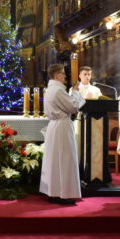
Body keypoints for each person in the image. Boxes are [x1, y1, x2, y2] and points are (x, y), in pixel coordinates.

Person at [40, 64, 85, 205]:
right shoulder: (58, 90)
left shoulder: (52, 89)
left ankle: (53, 192)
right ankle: (63, 194)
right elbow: (73, 106)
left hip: (55, 126)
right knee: (65, 159)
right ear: (56, 75)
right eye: (63, 73)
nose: (65, 76)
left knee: (54, 160)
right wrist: (75, 92)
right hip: (62, 127)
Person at [70, 66, 103, 181]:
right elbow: (72, 105)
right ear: (79, 75)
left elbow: (102, 105)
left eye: (89, 74)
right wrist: (85, 99)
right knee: (78, 145)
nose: (87, 77)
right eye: (85, 74)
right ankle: (77, 171)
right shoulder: (74, 89)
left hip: (93, 123)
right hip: (79, 122)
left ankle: (91, 170)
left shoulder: (96, 90)